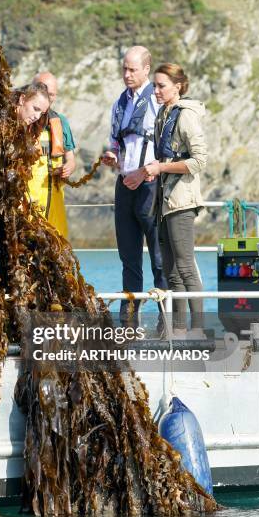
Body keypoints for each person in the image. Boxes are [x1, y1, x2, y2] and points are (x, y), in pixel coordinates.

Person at [141, 63, 207, 336]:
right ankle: (179, 329)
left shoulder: (186, 115)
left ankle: (200, 330)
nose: (155, 90)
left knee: (185, 266)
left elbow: (199, 160)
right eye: (154, 85)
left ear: (177, 86)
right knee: (171, 272)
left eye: (161, 86)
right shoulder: (163, 115)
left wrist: (161, 168)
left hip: (182, 201)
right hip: (164, 202)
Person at [102, 46, 166, 325]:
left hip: (151, 185)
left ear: (146, 70)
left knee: (159, 258)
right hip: (124, 183)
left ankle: (168, 322)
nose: (127, 74)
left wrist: (144, 173)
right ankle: (129, 323)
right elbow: (117, 140)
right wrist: (111, 155)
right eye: (124, 69)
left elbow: (166, 147)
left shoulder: (157, 100)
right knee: (128, 258)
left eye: (132, 69)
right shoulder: (120, 102)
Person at [29, 72, 76, 239]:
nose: (47, 98)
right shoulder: (25, 119)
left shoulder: (60, 121)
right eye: (44, 92)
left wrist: (68, 167)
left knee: (58, 246)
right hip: (29, 200)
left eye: (52, 94)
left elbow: (71, 159)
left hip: (55, 198)